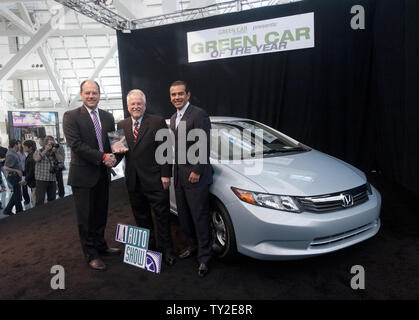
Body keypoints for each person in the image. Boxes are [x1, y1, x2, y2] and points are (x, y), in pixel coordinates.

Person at [63, 80, 121, 271]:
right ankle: (91, 255)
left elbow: (113, 143)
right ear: (81, 94)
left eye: (94, 93)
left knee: (100, 214)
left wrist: (115, 156)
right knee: (86, 218)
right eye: (87, 93)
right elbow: (76, 145)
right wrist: (103, 157)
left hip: (102, 175)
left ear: (99, 94)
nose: (91, 96)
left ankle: (101, 246)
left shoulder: (107, 116)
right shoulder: (71, 116)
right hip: (82, 176)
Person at [116, 89, 176, 266]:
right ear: (128, 106)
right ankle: (150, 251)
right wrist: (110, 158)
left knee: (162, 218)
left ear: (145, 105)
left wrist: (166, 175)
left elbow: (165, 150)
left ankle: (168, 251)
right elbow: (121, 153)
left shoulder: (156, 121)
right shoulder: (121, 125)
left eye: (139, 104)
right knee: (141, 219)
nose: (136, 107)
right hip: (134, 183)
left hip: (156, 180)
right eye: (132, 104)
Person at [169, 80, 213, 277]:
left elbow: (204, 145)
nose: (176, 97)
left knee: (200, 217)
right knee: (184, 217)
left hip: (196, 176)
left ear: (188, 95)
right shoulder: (173, 118)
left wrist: (197, 170)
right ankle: (193, 247)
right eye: (173, 95)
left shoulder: (198, 114)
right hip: (179, 176)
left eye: (180, 94)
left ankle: (205, 258)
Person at [33, 136, 63, 206]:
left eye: (52, 144)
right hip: (41, 179)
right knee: (40, 200)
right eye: (50, 144)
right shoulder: (39, 151)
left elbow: (62, 161)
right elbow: (36, 159)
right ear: (45, 144)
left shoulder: (54, 153)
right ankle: (39, 215)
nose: (51, 146)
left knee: (52, 200)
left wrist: (56, 152)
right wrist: (45, 150)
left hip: (52, 179)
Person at [3, 139, 25, 215]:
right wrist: (16, 170)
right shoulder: (10, 154)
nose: (20, 146)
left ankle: (8, 210)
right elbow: (5, 167)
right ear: (15, 145)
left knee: (16, 193)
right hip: (13, 176)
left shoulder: (13, 153)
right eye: (19, 144)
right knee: (17, 194)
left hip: (16, 176)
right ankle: (19, 210)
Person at [22, 140, 37, 205]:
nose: (24, 148)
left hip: (34, 181)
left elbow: (32, 171)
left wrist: (25, 179)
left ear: (30, 147)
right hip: (32, 181)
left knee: (35, 200)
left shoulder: (32, 156)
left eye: (25, 146)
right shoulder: (30, 155)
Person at [17, 141, 30, 205]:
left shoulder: (27, 153)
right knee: (24, 186)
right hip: (23, 171)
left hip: (29, 170)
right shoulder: (18, 153)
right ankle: (26, 199)